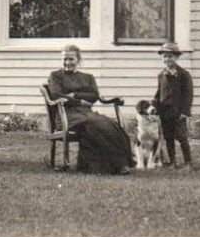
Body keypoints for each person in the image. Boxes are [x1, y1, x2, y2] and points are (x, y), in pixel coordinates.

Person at [46, 44, 134, 174]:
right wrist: (80, 101)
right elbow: (56, 95)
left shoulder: (88, 77)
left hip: (86, 113)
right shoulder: (56, 76)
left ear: (78, 60)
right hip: (66, 115)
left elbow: (94, 96)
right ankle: (120, 164)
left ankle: (101, 166)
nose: (67, 62)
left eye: (71, 59)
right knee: (96, 124)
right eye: (64, 59)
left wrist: (75, 95)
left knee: (107, 125)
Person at [153, 41, 195, 168]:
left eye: (170, 56)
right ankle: (172, 161)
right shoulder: (161, 75)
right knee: (168, 137)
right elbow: (159, 93)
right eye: (165, 56)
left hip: (178, 112)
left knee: (182, 137)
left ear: (176, 57)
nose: (167, 59)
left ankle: (188, 162)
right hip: (165, 112)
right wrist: (154, 105)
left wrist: (185, 112)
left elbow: (188, 95)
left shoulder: (183, 74)